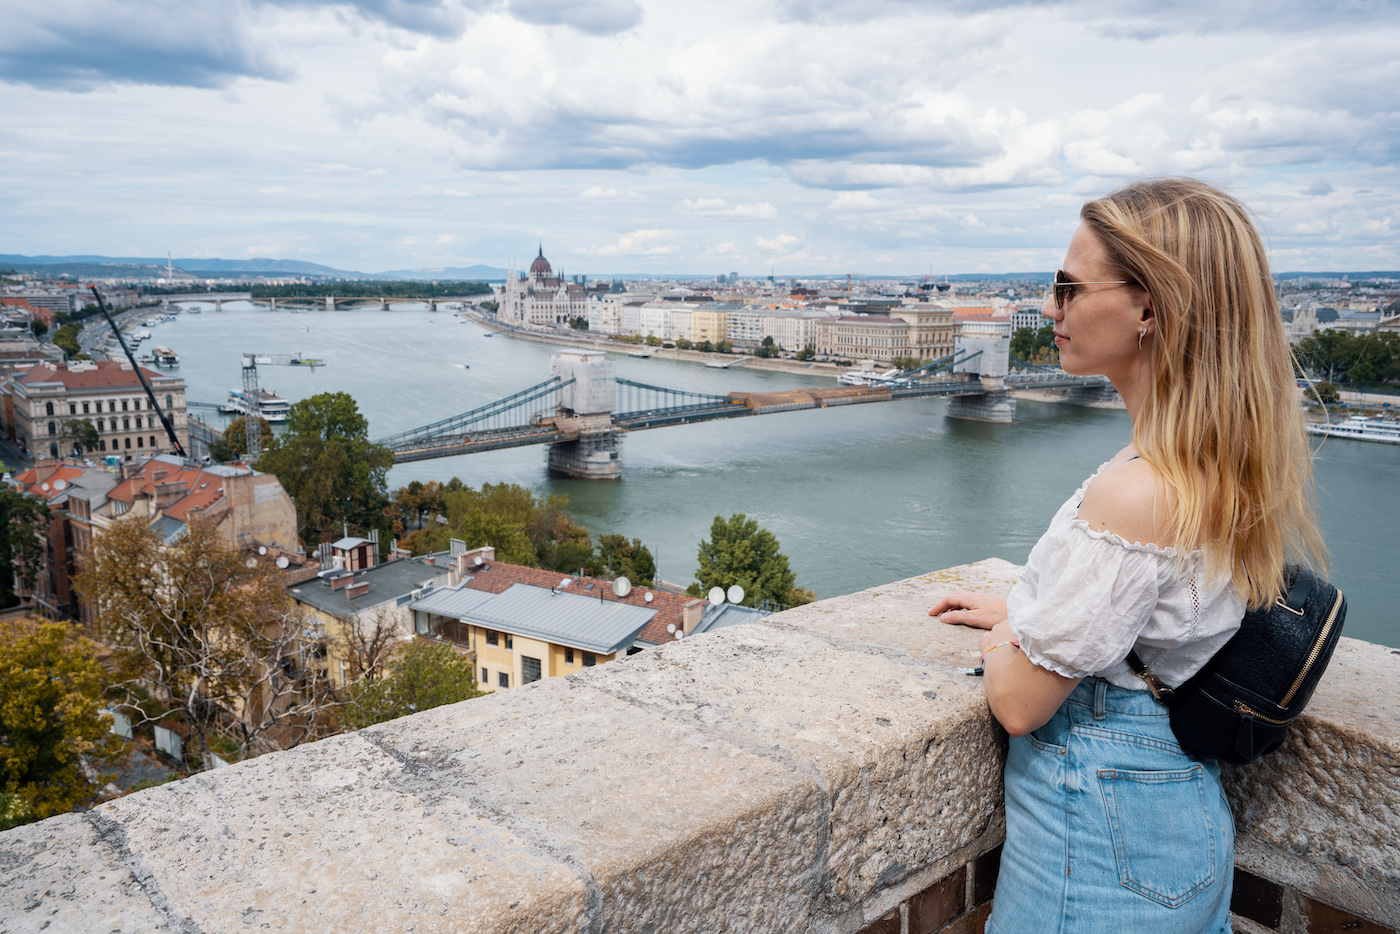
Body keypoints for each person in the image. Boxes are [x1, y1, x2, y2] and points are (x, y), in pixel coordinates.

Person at [930, 178, 1326, 934]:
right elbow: (1143, 615)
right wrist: (1036, 612)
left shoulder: (1137, 491)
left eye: (1068, 288)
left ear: (1150, 307)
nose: (1050, 309)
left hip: (1097, 849)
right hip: (1177, 827)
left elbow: (1019, 703)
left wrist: (1017, 632)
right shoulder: (1215, 460)